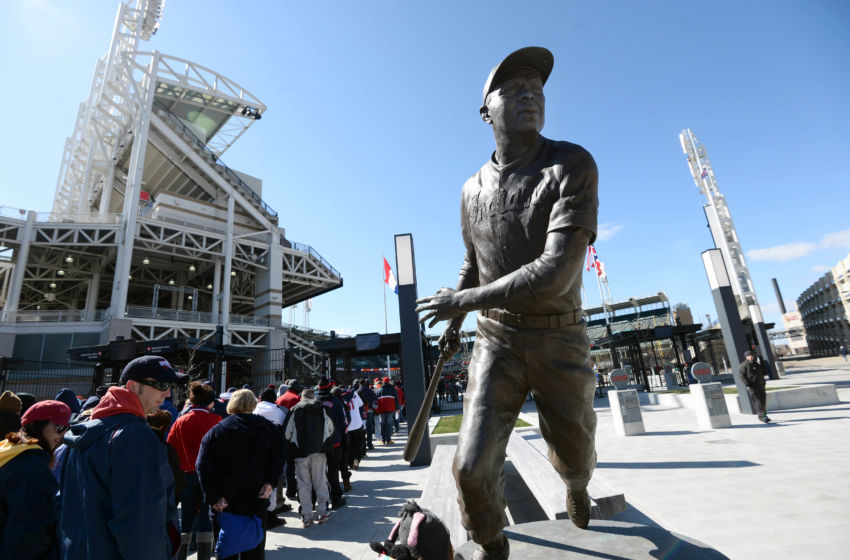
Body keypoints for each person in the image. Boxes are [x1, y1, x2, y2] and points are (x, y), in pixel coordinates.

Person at [415, 47, 599, 560]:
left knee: (577, 455)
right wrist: (455, 305)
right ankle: (493, 546)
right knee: (470, 466)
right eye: (513, 89)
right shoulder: (470, 189)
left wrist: (463, 299)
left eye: (536, 89)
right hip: (495, 338)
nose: (529, 95)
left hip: (559, 334)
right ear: (485, 111)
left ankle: (577, 485)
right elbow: (472, 263)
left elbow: (555, 273)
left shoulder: (572, 163)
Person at [60, 355, 186, 560]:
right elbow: (140, 523)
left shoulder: (86, 430)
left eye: (170, 385)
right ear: (132, 386)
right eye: (161, 384)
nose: (167, 393)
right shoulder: (135, 436)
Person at [196, 389, 285, 560]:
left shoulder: (217, 431)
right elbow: (279, 457)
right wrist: (270, 482)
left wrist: (214, 496)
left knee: (226, 550)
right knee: (254, 551)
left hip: (225, 501)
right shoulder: (268, 429)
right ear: (253, 404)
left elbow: (203, 466)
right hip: (256, 498)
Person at [0, 399, 71, 559]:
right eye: (59, 428)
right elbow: (30, 535)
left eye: (67, 429)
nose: (63, 435)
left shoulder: (10, 451)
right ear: (37, 426)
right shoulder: (33, 468)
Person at [167, 381, 221, 560]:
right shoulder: (215, 420)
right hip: (209, 476)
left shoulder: (180, 421)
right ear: (208, 402)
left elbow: (170, 447)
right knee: (206, 517)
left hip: (185, 475)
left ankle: (180, 555)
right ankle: (203, 556)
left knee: (186, 518)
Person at [284, 388, 334, 528]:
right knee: (321, 482)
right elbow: (330, 429)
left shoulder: (295, 409)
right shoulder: (322, 409)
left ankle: (306, 516)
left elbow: (287, 433)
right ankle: (323, 512)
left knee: (303, 484)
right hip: (319, 451)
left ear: (301, 396)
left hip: (300, 453)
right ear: (313, 396)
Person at [253, 387, 288, 528]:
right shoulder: (278, 411)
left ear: (260, 397)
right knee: (272, 483)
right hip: (272, 453)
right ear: (275, 399)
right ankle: (270, 515)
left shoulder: (253, 409)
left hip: (254, 452)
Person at [315, 378, 348, 507]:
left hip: (317, 444)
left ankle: (318, 501)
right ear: (330, 388)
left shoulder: (313, 402)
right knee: (333, 471)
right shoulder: (336, 402)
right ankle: (335, 499)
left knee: (317, 472)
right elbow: (344, 422)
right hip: (334, 442)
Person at [739, 351, 771, 423]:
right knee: (757, 402)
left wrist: (763, 382)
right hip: (752, 386)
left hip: (760, 385)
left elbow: (761, 374)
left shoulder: (757, 364)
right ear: (746, 357)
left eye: (752, 355)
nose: (751, 356)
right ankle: (762, 417)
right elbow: (741, 376)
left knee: (763, 401)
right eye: (749, 355)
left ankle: (764, 415)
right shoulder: (743, 365)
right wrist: (747, 384)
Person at [375, 377, 398, 445]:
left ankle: (383, 440)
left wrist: (376, 410)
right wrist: (397, 408)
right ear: (389, 382)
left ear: (383, 382)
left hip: (381, 410)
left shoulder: (378, 390)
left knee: (382, 424)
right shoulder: (393, 390)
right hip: (390, 409)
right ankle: (389, 439)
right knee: (389, 424)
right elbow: (396, 400)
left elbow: (376, 401)